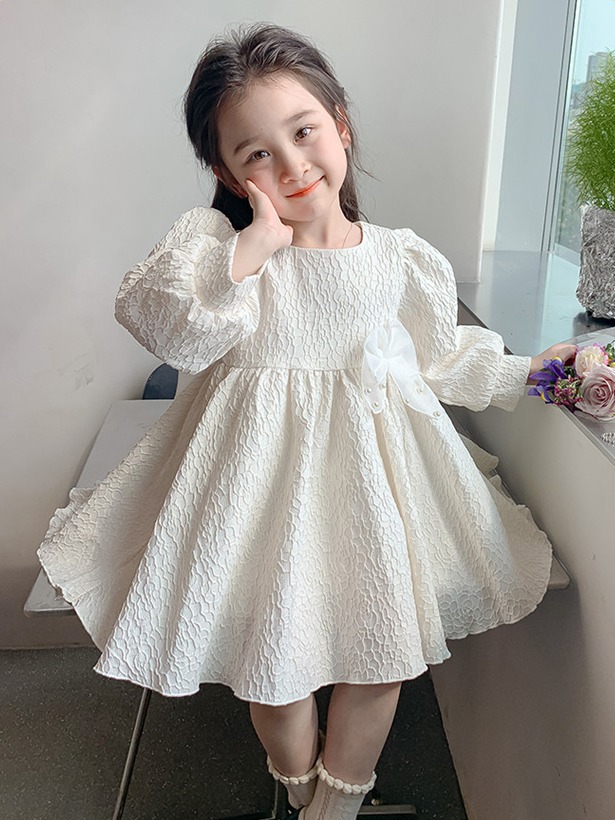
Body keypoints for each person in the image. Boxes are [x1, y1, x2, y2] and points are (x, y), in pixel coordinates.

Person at [37, 23, 576, 820]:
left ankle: (334, 808)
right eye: (256, 152)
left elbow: (444, 358)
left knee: (380, 651)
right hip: (254, 489)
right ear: (227, 172)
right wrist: (256, 243)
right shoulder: (218, 249)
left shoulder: (399, 257)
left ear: (340, 125)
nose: (291, 166)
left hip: (371, 484)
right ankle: (299, 792)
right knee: (275, 657)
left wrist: (543, 373)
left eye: (303, 131)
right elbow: (169, 327)